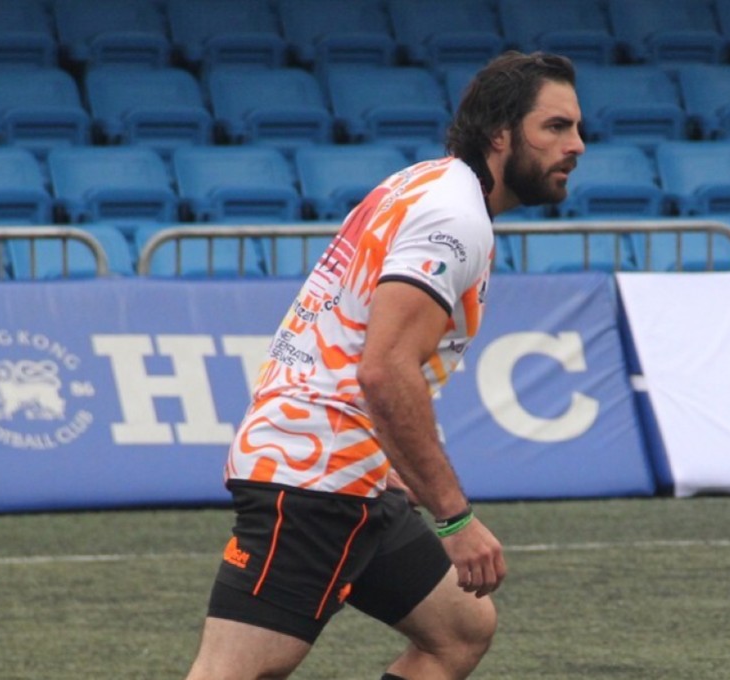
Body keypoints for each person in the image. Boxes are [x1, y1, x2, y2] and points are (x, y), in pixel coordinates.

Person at [185, 51, 585, 680]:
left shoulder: (425, 184)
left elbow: (345, 330)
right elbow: (384, 368)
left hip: (343, 461)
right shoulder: (453, 219)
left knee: (458, 631)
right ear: (500, 135)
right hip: (316, 473)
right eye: (556, 127)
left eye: (576, 128)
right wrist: (455, 517)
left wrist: (389, 458)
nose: (577, 145)